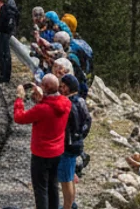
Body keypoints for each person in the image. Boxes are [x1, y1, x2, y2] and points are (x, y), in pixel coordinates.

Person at [13, 74, 71, 209]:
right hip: (57, 152)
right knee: (53, 186)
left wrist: (19, 99)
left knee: (40, 189)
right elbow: (53, 103)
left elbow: (19, 118)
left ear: (44, 87)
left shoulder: (42, 109)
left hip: (41, 154)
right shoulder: (66, 103)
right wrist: (42, 97)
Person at [59, 73, 90, 209]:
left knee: (66, 181)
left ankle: (67, 206)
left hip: (68, 146)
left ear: (67, 88)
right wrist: (80, 136)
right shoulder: (81, 101)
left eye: (62, 86)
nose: (60, 88)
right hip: (77, 143)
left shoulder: (68, 104)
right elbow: (88, 122)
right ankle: (72, 205)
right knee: (71, 176)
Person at [0, 0, 19, 83]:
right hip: (5, 33)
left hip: (4, 33)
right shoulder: (10, 8)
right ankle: (3, 74)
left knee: (4, 54)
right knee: (3, 54)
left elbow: (4, 22)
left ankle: (4, 76)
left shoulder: (7, 9)